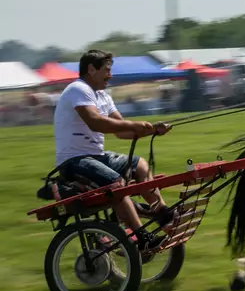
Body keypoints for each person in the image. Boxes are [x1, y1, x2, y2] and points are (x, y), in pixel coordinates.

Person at [54, 49, 177, 250]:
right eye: (107, 70)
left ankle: (162, 213)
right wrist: (134, 125)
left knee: (139, 164)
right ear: (91, 69)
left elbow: (123, 131)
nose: (110, 75)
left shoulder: (102, 95)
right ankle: (142, 238)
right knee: (115, 184)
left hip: (96, 157)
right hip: (74, 161)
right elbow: (95, 122)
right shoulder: (78, 89)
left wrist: (153, 129)